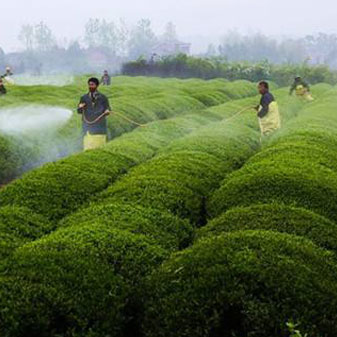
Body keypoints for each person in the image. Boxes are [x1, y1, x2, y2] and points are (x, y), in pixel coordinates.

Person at [77, 77, 111, 151]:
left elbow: (108, 108)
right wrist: (80, 107)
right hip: (87, 127)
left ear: (97, 85)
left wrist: (107, 111)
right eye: (89, 85)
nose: (90, 86)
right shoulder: (84, 98)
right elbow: (79, 111)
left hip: (100, 127)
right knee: (87, 147)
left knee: (99, 148)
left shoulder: (103, 97)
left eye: (92, 85)